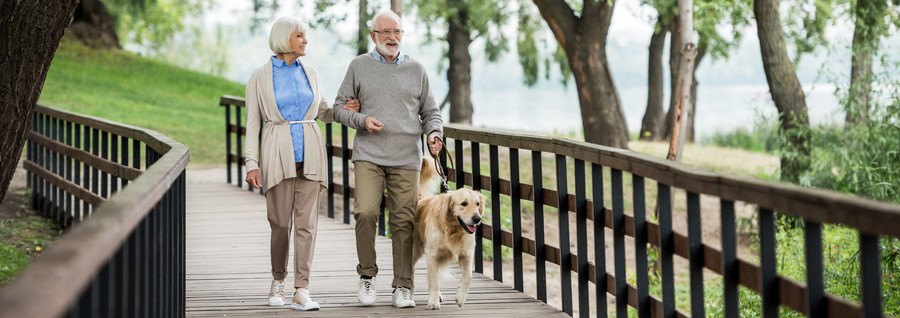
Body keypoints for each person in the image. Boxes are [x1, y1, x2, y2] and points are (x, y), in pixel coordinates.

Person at [244, 16, 359, 311]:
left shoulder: (311, 72)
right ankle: (278, 280)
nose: (305, 40)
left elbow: (322, 112)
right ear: (285, 39)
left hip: (310, 152)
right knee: (280, 223)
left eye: (305, 36)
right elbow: (252, 125)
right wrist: (251, 162)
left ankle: (301, 289)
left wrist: (344, 110)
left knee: (307, 225)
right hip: (276, 153)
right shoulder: (260, 76)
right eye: (300, 36)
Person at [331, 10, 444, 308]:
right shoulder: (359, 66)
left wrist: (434, 133)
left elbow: (431, 112)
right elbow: (339, 108)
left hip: (407, 157)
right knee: (366, 212)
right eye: (386, 33)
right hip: (369, 154)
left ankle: (403, 286)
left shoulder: (417, 70)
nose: (392, 38)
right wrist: (362, 120)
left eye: (397, 32)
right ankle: (367, 277)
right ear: (373, 36)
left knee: (404, 220)